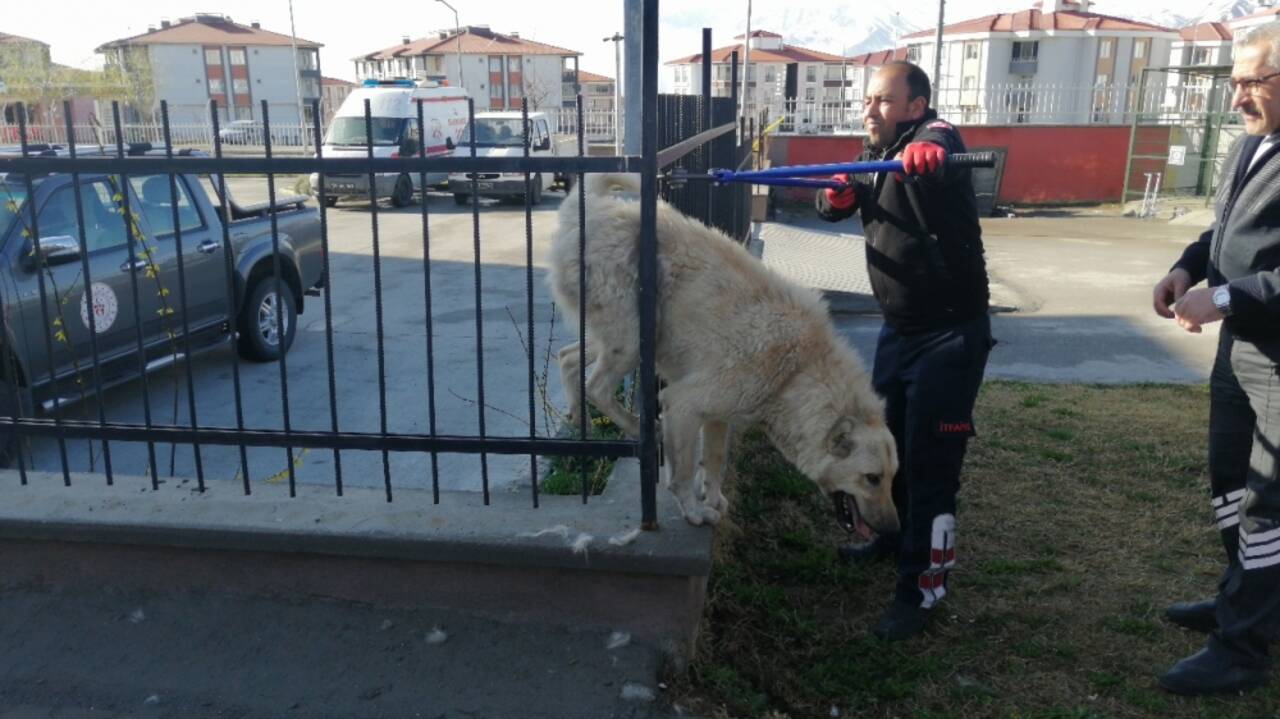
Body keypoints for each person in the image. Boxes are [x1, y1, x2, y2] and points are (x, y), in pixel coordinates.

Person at [815, 61, 993, 641]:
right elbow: (830, 205)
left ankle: (922, 591)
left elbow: (944, 141)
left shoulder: (931, 143)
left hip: (950, 336)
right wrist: (835, 197)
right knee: (891, 452)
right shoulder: (876, 155)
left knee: (933, 468)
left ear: (916, 107)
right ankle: (894, 541)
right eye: (868, 100)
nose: (870, 110)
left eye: (884, 101)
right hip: (899, 332)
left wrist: (932, 145)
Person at [1153, 23, 1280, 696]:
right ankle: (1245, 598)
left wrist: (1224, 296)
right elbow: (1222, 228)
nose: (1237, 99)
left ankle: (1244, 647)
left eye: (1251, 83)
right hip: (1240, 351)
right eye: (1233, 84)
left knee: (1268, 502)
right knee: (1230, 483)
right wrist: (1186, 267)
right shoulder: (1250, 145)